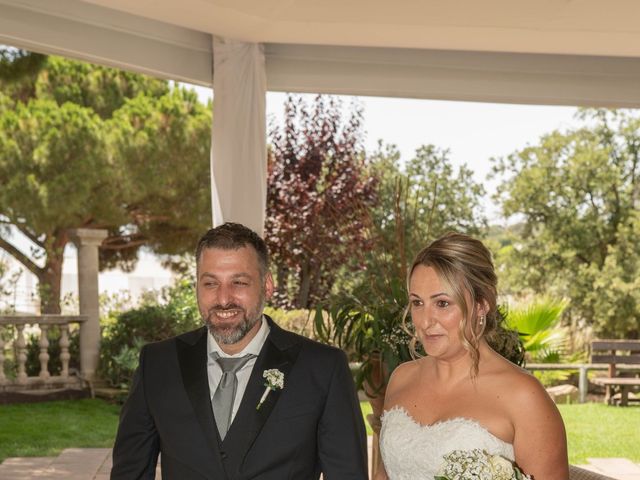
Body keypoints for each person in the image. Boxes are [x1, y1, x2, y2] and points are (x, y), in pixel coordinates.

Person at [111, 222, 367, 480]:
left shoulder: (323, 368)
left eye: (239, 282)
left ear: (267, 285)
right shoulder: (157, 364)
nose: (223, 299)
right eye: (211, 283)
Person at [375, 232, 569, 480]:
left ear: (482, 304)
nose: (424, 321)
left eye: (442, 303)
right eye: (417, 303)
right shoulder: (401, 378)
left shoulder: (525, 397)